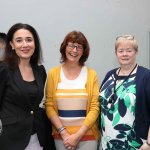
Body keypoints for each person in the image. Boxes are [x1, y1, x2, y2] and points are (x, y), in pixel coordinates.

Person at [0, 23, 55, 150]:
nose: (25, 44)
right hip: (10, 138)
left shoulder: (40, 70)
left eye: (29, 40)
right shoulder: (3, 69)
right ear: (12, 45)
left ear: (35, 43)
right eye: (19, 40)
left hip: (37, 137)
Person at [45, 31, 100, 150]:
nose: (74, 50)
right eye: (71, 45)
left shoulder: (91, 74)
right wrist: (63, 132)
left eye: (79, 47)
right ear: (64, 47)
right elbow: (49, 105)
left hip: (87, 137)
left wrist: (78, 135)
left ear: (84, 51)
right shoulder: (53, 74)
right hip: (61, 137)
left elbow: (95, 107)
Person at [99, 35, 150, 150]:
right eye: (121, 50)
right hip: (107, 142)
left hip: (134, 143)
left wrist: (149, 144)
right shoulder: (109, 75)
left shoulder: (146, 76)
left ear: (136, 52)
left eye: (129, 50)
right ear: (116, 53)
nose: (124, 54)